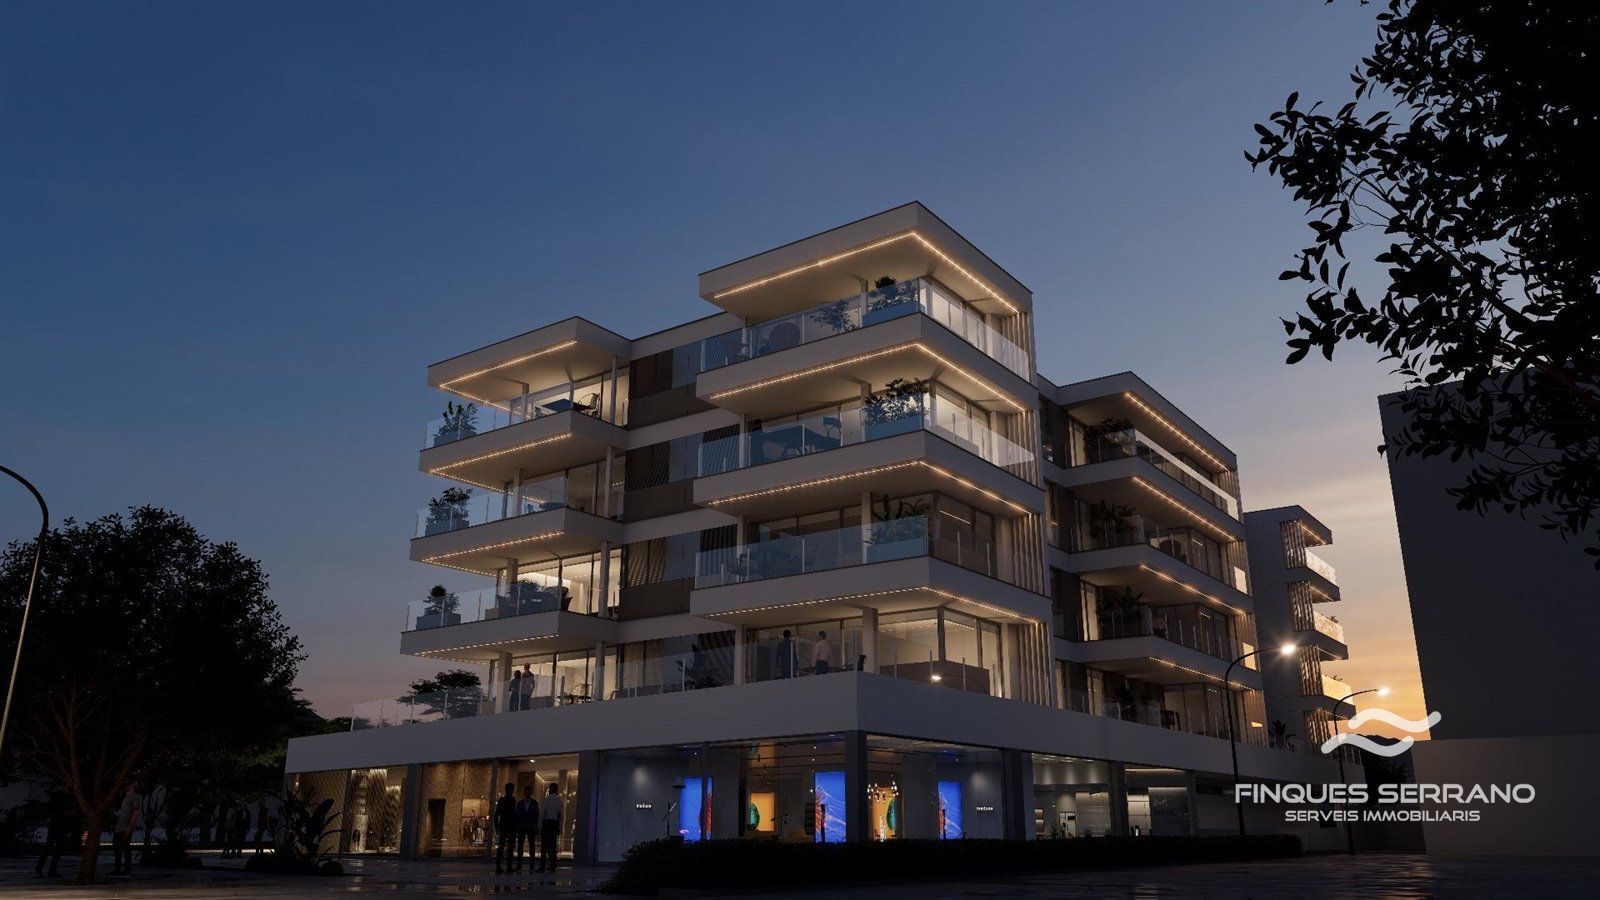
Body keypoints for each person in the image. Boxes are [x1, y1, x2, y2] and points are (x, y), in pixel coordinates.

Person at [35, 790, 74, 878]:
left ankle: (49, 870)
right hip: (56, 824)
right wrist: (64, 812)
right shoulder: (59, 796)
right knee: (50, 847)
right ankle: (40, 868)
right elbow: (52, 808)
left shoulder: (71, 797)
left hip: (62, 825)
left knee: (57, 849)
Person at [111, 783, 141, 875]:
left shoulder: (135, 797)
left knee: (125, 848)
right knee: (117, 848)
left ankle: (126, 869)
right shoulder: (125, 797)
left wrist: (130, 827)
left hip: (125, 826)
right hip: (119, 826)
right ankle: (117, 868)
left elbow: (136, 812)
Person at [537, 783, 563, 873]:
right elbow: (561, 815)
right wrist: (559, 827)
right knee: (552, 846)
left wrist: (539, 826)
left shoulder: (547, 800)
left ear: (551, 789)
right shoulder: (559, 800)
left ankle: (543, 865)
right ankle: (552, 865)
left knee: (544, 846)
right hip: (554, 824)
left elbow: (542, 814)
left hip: (547, 823)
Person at [492, 783, 517, 874]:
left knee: (504, 847)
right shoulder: (509, 800)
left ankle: (502, 865)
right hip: (508, 826)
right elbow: (513, 814)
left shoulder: (504, 800)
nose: (512, 791)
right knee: (507, 847)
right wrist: (496, 826)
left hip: (506, 826)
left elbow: (497, 814)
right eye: (512, 789)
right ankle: (506, 865)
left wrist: (496, 826)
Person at [514, 785, 539, 872]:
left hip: (531, 827)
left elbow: (537, 816)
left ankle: (532, 866)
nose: (527, 794)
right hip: (522, 827)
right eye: (526, 792)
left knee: (532, 847)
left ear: (531, 793)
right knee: (520, 847)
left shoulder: (535, 803)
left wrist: (536, 827)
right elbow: (517, 816)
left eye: (528, 792)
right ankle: (519, 865)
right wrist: (517, 826)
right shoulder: (520, 803)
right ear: (524, 793)